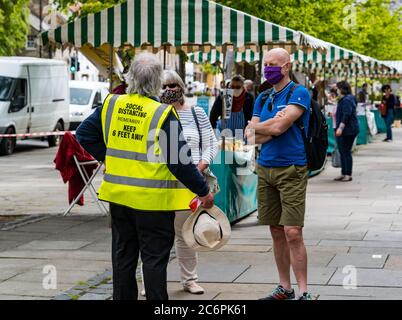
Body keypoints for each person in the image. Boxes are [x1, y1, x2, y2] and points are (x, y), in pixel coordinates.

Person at [75, 52, 214, 300]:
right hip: (154, 201)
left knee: (123, 258)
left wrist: (109, 158)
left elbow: (84, 134)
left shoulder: (111, 104)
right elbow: (179, 162)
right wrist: (203, 192)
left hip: (119, 197)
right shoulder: (162, 113)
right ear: (158, 82)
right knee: (154, 261)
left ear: (130, 78)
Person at [244, 48, 312, 300]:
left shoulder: (299, 93)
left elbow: (280, 126)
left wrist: (264, 126)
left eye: (273, 64)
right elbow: (251, 136)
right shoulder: (263, 97)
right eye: (266, 63)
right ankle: (285, 287)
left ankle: (304, 291)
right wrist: (265, 128)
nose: (268, 68)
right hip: (266, 167)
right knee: (275, 230)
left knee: (292, 231)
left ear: (286, 66)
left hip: (292, 168)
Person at [160, 70, 219, 295]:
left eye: (173, 85)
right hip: (161, 183)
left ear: (182, 86)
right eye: (164, 86)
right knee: (158, 235)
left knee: (186, 233)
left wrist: (199, 167)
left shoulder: (196, 113)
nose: (168, 90)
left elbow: (212, 144)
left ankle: (190, 280)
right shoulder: (155, 113)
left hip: (190, 183)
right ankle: (152, 281)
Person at [334, 81, 360, 182]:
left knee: (346, 151)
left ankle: (348, 174)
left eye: (337, 88)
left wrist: (340, 127)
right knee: (342, 151)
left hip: (348, 130)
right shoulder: (346, 98)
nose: (336, 90)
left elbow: (346, 114)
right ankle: (344, 173)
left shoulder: (347, 99)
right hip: (347, 129)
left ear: (341, 89)